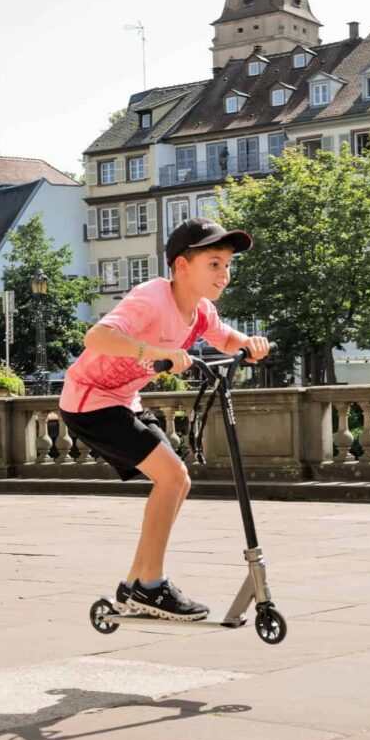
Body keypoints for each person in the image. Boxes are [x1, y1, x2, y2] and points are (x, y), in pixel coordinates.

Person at [60, 218, 270, 622]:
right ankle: (152, 587)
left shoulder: (201, 311)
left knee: (179, 480)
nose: (224, 274)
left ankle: (136, 583)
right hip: (90, 401)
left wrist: (248, 343)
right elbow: (96, 338)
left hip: (122, 400)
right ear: (181, 266)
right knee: (171, 476)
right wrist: (151, 350)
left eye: (227, 265)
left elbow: (224, 337)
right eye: (214, 263)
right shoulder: (151, 298)